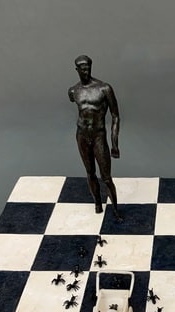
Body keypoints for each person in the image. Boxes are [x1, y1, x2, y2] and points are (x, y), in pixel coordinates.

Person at [68, 55, 122, 220]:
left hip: (99, 135)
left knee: (106, 177)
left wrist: (114, 143)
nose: (86, 71)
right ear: (77, 70)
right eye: (82, 69)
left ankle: (116, 211)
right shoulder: (73, 91)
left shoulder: (104, 89)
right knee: (90, 172)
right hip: (82, 135)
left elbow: (115, 116)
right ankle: (97, 203)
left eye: (88, 68)